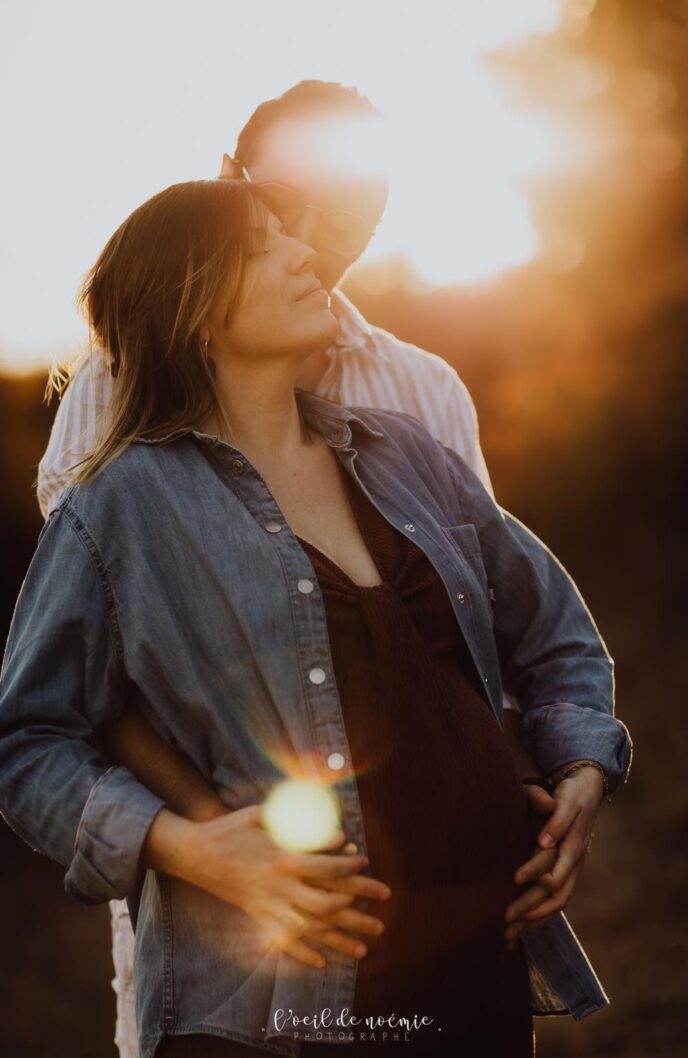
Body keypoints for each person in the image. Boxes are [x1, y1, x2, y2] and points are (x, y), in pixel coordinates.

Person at [37, 86, 628, 1058]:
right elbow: (97, 676)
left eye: (350, 213)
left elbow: (487, 626)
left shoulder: (417, 399)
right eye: (286, 205)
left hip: (472, 941)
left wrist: (572, 769)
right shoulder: (118, 409)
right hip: (261, 942)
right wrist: (218, 841)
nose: (315, 237)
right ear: (232, 186)